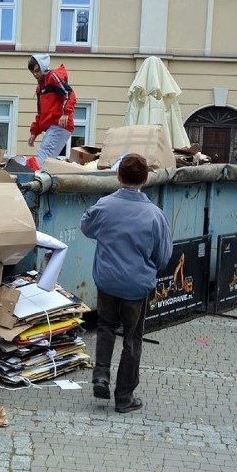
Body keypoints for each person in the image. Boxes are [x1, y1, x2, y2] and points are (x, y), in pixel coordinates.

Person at [79, 153, 172, 413]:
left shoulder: (104, 206)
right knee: (132, 338)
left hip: (107, 281)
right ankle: (124, 397)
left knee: (106, 327)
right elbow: (163, 256)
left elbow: (86, 227)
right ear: (144, 179)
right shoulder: (155, 215)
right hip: (136, 286)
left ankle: (100, 375)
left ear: (118, 176)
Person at [27, 54, 77, 163]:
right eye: (33, 72)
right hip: (52, 127)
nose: (35, 75)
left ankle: (36, 176)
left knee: (43, 158)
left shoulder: (52, 77)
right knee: (44, 158)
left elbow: (69, 93)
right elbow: (41, 114)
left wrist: (65, 113)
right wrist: (34, 132)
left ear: (42, 66)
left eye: (36, 70)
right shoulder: (40, 88)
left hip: (60, 125)